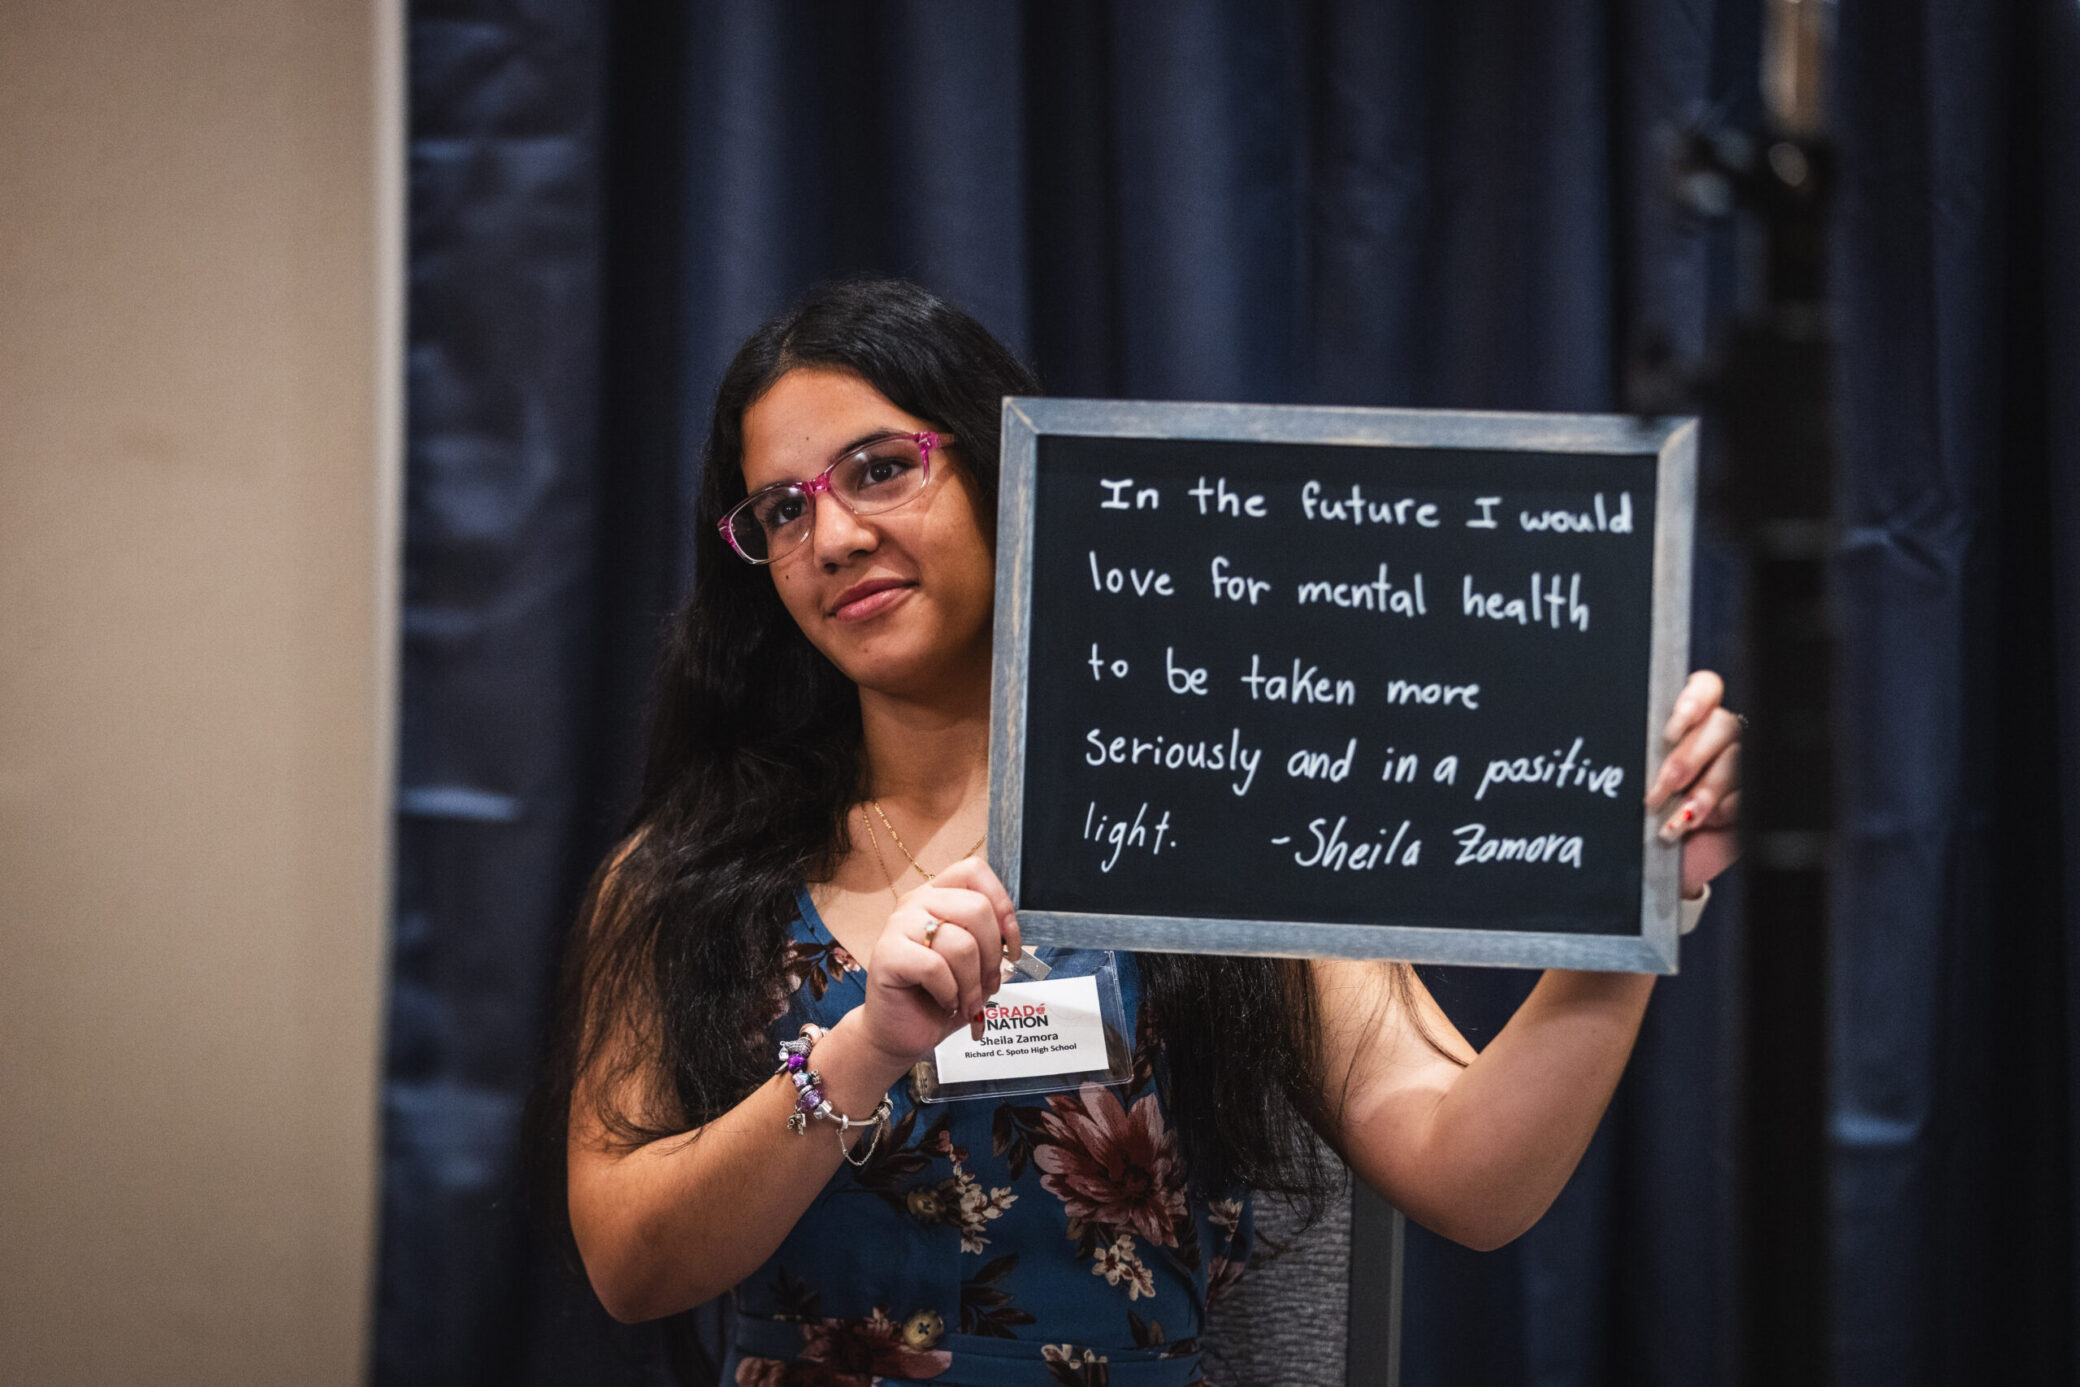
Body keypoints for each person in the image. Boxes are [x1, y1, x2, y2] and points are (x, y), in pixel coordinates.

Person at [535, 277, 1743, 1386]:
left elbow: (1472, 1178)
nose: (835, 536)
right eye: (780, 510)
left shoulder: (1213, 813)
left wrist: (1637, 898)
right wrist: (862, 1051)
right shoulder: (684, 876)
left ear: (1002, 466)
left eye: (879, 467)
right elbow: (630, 1265)